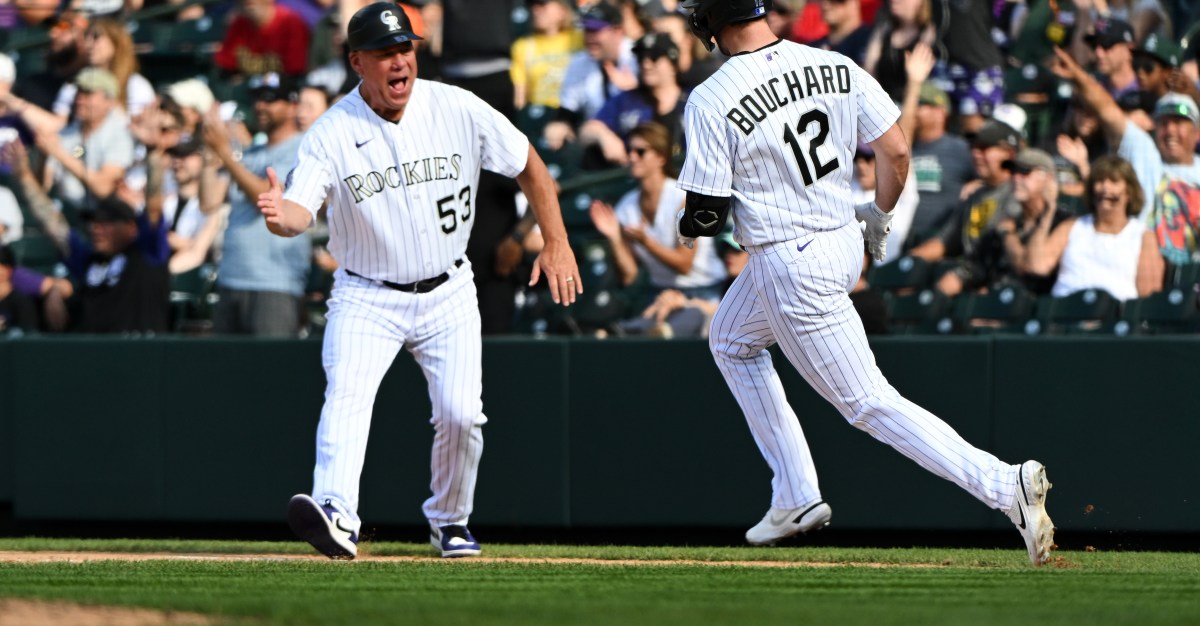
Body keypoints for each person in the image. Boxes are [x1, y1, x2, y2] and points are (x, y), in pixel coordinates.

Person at [674, 0, 1055, 566]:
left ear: (710, 21)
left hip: (790, 260)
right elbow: (897, 149)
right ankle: (795, 494)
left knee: (868, 404)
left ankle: (1004, 485)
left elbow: (706, 214)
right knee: (730, 339)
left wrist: (685, 229)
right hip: (841, 237)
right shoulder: (835, 63)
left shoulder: (710, 95)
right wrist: (879, 215)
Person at [269, 2, 582, 560]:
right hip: (366, 293)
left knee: (463, 416)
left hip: (449, 290)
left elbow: (529, 163)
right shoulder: (332, 132)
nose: (399, 62)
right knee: (347, 396)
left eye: (405, 48)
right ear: (356, 61)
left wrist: (556, 241)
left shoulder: (455, 105)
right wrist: (279, 215)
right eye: (385, 52)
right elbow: (298, 212)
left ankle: (450, 520)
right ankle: (338, 512)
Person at [1052, 47, 1200, 267]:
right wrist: (1078, 76)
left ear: (1197, 133)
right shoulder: (1145, 154)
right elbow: (1108, 112)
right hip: (1139, 263)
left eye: (1179, 123)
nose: (1170, 131)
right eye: (1163, 123)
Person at [589, 122, 726, 333]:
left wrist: (646, 241)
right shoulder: (626, 205)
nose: (632, 157)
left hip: (704, 292)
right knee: (645, 330)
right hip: (659, 293)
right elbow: (630, 276)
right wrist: (615, 237)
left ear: (661, 157)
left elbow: (684, 264)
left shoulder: (683, 198)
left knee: (668, 331)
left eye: (640, 151)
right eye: (629, 150)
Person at [203, 72, 309, 337]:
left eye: (271, 99)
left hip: (275, 283)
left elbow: (265, 197)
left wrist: (225, 155)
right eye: (257, 99)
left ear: (292, 105)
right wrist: (210, 150)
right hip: (231, 277)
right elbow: (208, 201)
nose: (261, 106)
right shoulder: (250, 154)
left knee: (270, 373)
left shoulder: (303, 149)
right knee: (225, 373)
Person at [934, 149, 1074, 297]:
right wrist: (937, 296)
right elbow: (972, 268)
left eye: (1024, 172)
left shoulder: (1063, 221)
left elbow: (1033, 269)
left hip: (1032, 307)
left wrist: (1009, 235)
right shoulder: (1005, 224)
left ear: (1048, 179)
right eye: (1013, 172)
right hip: (993, 305)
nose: (1015, 178)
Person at [1024, 155, 1163, 301]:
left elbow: (1149, 294)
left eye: (1113, 182)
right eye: (1100, 181)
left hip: (1114, 316)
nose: (1105, 188)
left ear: (1129, 192)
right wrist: (1047, 213)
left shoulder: (1142, 236)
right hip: (1065, 313)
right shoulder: (1072, 227)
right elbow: (1037, 266)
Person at [580, 33, 687, 167]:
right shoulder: (626, 100)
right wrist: (604, 136)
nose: (646, 64)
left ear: (672, 63)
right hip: (635, 181)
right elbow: (587, 131)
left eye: (654, 57)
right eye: (641, 58)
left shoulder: (694, 98)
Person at [510, 0, 582, 111]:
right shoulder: (523, 46)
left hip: (571, 112)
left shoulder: (580, 39)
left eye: (542, 4)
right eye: (533, 5)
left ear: (562, 10)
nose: (535, 10)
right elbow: (520, 95)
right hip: (539, 112)